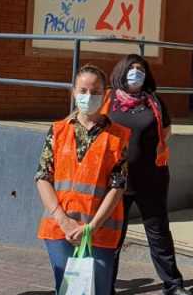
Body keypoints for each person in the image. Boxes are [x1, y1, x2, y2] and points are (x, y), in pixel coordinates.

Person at [36, 65, 130, 295]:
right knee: (68, 290)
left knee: (97, 290)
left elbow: (117, 186)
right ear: (73, 93)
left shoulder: (118, 136)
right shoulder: (58, 130)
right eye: (83, 90)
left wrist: (90, 228)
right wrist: (63, 220)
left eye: (95, 91)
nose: (89, 96)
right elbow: (42, 177)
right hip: (60, 229)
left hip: (99, 230)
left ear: (106, 94)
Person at [103, 55, 191, 295]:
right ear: (120, 72)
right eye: (130, 68)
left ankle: (173, 285)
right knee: (112, 238)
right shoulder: (107, 101)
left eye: (140, 69)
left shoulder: (154, 102)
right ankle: (105, 285)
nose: (135, 72)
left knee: (159, 234)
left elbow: (167, 132)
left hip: (151, 179)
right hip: (116, 181)